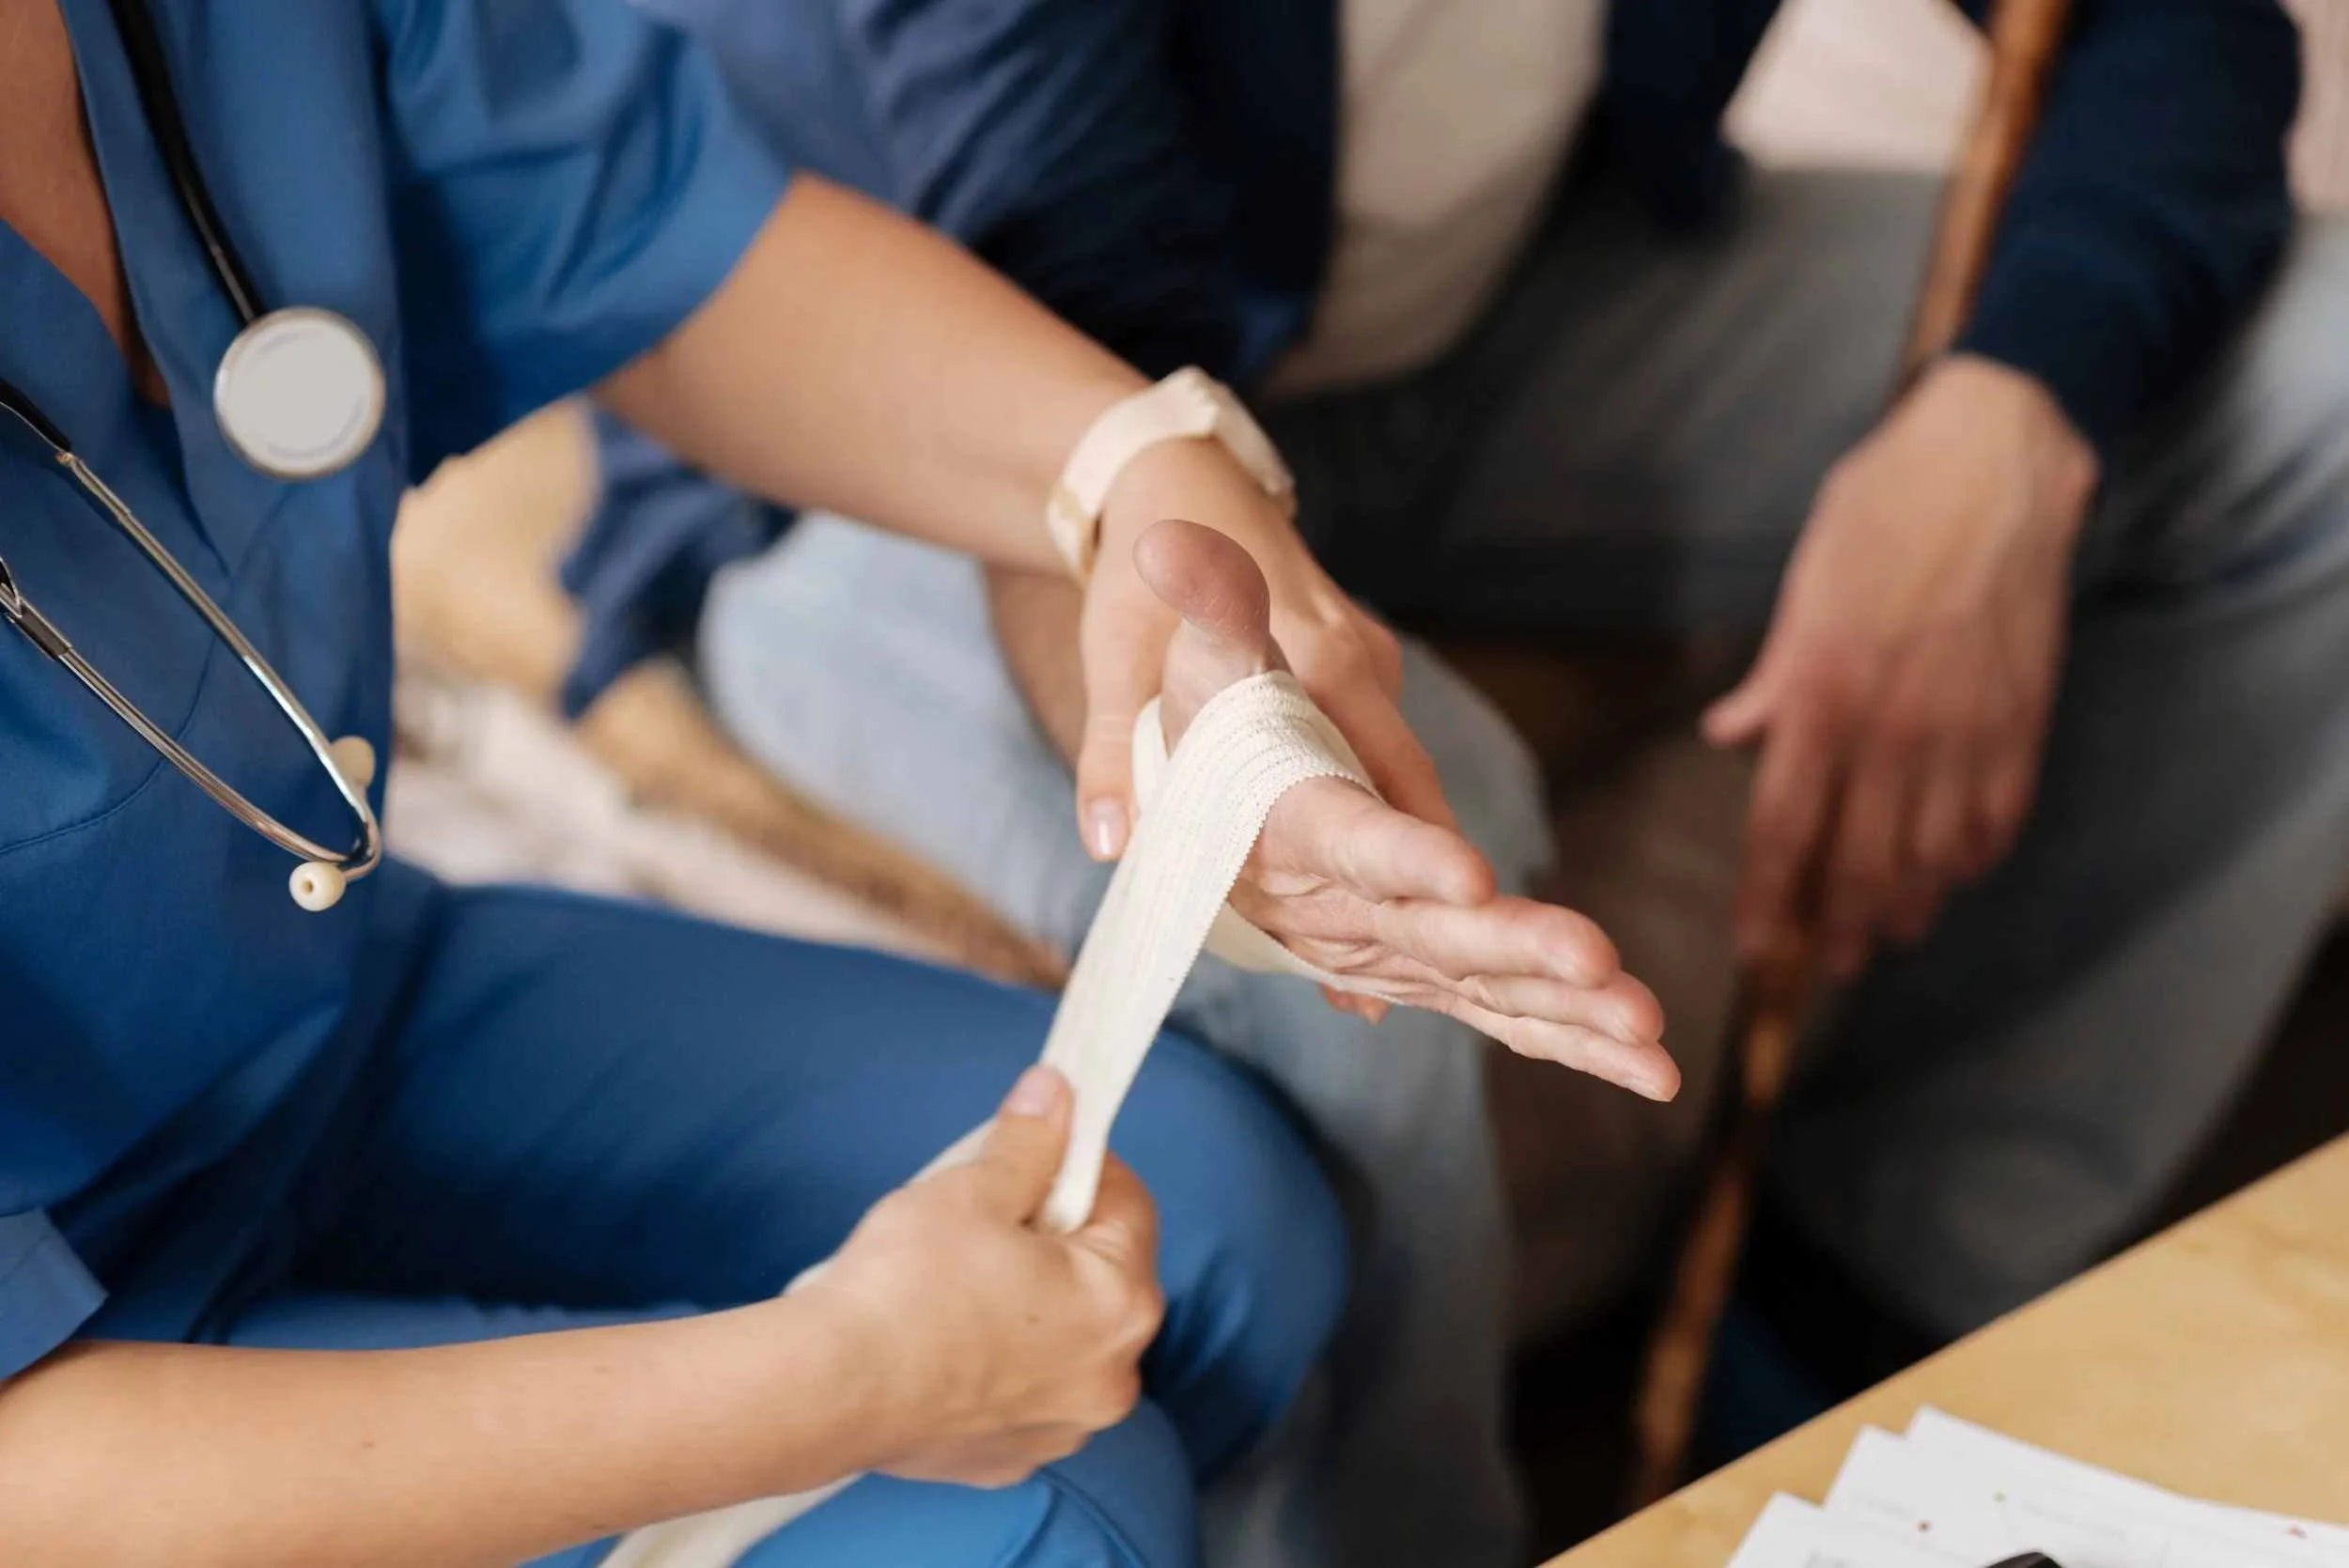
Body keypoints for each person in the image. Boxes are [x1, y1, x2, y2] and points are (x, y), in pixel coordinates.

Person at [573, 0, 2349, 1553]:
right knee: (1413, 842)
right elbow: (1074, 326)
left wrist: (2003, 426)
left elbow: (2174, 33)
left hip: (1479, 322)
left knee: (2324, 387)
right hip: (911, 424)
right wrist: (1229, 735)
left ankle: (1864, 1324)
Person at [0, 1, 1678, 1564]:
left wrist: (1133, 476)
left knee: (1216, 1227)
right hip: (63, 1388)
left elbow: (652, 246)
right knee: (1053, 1514)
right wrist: (845, 1377)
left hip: (300, 1010)